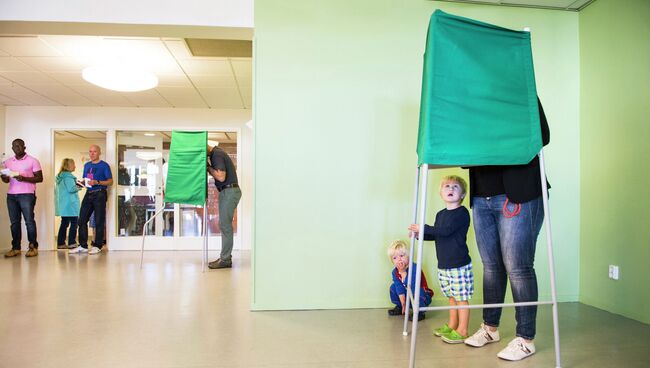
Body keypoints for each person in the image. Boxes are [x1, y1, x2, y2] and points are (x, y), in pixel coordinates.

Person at [463, 99, 550, 361]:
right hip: (482, 195)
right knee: (491, 266)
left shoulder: (520, 91)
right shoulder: (471, 102)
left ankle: (526, 339)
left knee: (518, 267)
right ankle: (490, 328)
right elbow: (462, 147)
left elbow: (542, 135)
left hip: (519, 193)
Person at [408, 175, 473, 344]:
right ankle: (452, 324)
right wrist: (420, 234)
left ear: (463, 194)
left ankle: (463, 330)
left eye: (455, 187)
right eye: (447, 186)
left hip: (459, 264)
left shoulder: (462, 213)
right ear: (441, 193)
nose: (450, 189)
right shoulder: (441, 214)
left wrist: (424, 227)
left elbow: (445, 231)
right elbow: (438, 235)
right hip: (444, 264)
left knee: (461, 298)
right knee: (451, 297)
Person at [1, 139, 43, 258]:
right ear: (12, 148)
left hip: (27, 195)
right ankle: (16, 248)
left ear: (24, 147)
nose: (16, 148)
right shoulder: (8, 162)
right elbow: (6, 180)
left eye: (19, 146)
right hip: (11, 196)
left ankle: (33, 247)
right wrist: (3, 177)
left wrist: (23, 178)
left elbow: (40, 178)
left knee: (29, 221)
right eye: (14, 146)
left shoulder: (33, 161)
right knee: (14, 223)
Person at [69, 145, 113, 255]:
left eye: (94, 151)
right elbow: (86, 180)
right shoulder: (87, 165)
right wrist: (81, 183)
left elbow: (110, 181)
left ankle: (97, 245)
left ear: (99, 153)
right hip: (88, 193)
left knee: (99, 220)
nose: (92, 153)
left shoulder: (104, 166)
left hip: (100, 194)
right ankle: (83, 246)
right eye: (90, 152)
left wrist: (97, 182)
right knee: (81, 220)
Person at [207, 144, 242, 269]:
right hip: (227, 191)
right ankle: (225, 257)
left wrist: (207, 167)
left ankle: (225, 259)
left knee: (225, 225)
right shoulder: (216, 153)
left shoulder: (217, 154)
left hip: (229, 191)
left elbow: (221, 176)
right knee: (224, 224)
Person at [387, 240, 433, 321]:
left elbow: (413, 286)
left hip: (420, 294)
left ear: (408, 256)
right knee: (393, 287)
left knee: (419, 292)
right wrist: (403, 302)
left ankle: (420, 312)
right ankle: (401, 306)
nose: (399, 260)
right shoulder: (395, 272)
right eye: (395, 258)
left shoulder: (414, 268)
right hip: (408, 296)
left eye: (401, 255)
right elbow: (399, 287)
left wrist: (404, 273)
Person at [55, 158, 82, 249]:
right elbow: (71, 189)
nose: (75, 166)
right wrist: (80, 185)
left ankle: (61, 243)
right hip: (71, 205)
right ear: (69, 166)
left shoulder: (61, 176)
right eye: (73, 164)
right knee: (74, 223)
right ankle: (71, 242)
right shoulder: (68, 177)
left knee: (64, 223)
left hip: (64, 205)